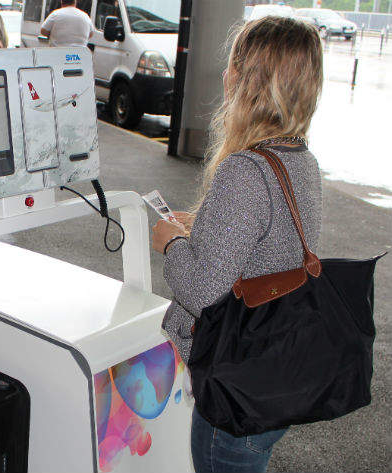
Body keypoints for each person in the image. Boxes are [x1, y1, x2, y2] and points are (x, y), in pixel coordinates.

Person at [151, 16, 324, 473]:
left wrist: (171, 243)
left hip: (235, 388)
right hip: (273, 370)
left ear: (250, 82)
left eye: (233, 66)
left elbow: (204, 293)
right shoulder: (300, 160)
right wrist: (205, 226)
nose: (224, 75)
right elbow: (269, 246)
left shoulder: (245, 171)